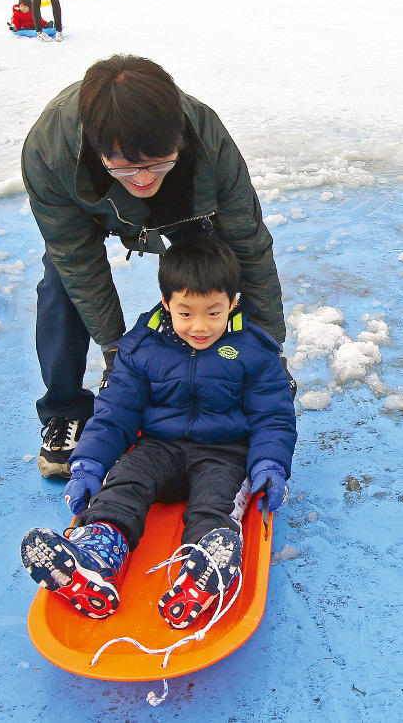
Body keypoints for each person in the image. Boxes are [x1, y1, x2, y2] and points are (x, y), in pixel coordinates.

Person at [21, 54, 292, 479]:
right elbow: (77, 258)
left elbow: (246, 242)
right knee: (60, 286)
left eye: (157, 163)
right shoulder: (48, 151)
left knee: (215, 272)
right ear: (96, 148)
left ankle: (218, 379)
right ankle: (65, 409)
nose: (144, 180)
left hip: (184, 206)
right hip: (93, 208)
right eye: (127, 165)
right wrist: (114, 348)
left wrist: (268, 344)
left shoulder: (205, 134)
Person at [21, 236, 297, 628]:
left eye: (213, 313)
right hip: (158, 447)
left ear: (233, 303)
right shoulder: (142, 348)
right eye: (186, 312)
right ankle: (95, 557)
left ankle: (202, 572)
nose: (200, 326)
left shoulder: (253, 350)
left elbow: (273, 415)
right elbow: (115, 413)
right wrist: (88, 464)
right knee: (124, 483)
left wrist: (271, 463)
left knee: (215, 503)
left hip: (224, 452)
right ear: (167, 304)